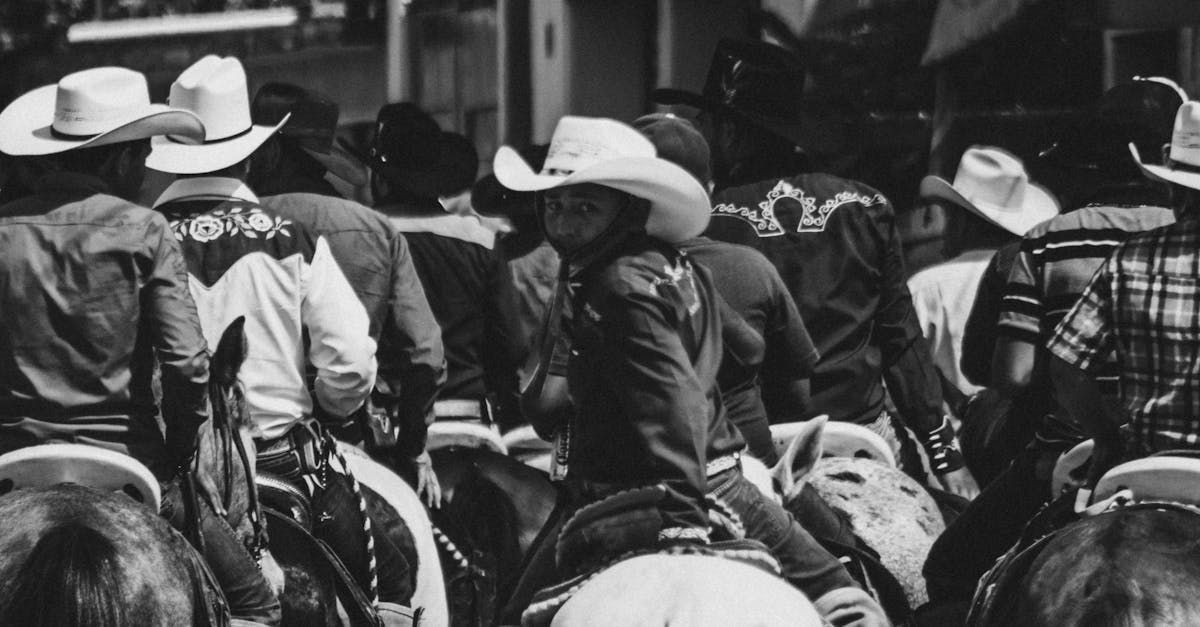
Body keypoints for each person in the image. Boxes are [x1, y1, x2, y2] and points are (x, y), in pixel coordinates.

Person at [0, 66, 282, 625]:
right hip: (129, 462)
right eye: (142, 155)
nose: (147, 167)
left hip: (9, 459)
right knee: (258, 606)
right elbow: (188, 364)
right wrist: (180, 449)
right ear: (118, 161)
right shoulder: (145, 230)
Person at [654, 38, 978, 498]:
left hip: (745, 448)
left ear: (730, 133)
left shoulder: (699, 221)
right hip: (861, 436)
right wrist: (944, 453)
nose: (700, 133)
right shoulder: (866, 205)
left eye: (705, 121)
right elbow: (901, 339)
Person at [145, 55, 413, 607]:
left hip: (169, 476)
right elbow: (351, 361)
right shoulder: (291, 239)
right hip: (281, 462)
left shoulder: (139, 239)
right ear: (252, 153)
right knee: (394, 578)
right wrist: (331, 409)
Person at [922, 77, 1184, 606]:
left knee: (950, 569)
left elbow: (1013, 375)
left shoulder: (1049, 241)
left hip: (1075, 452)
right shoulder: (1170, 239)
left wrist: (1103, 430)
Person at [249, 82, 447, 506]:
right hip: (352, 436)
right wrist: (413, 448)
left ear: (269, 151)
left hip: (249, 441)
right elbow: (425, 354)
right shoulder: (374, 228)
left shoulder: (229, 225)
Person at [1048, 99, 1200, 496]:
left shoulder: (1131, 258)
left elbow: (1065, 367)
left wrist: (1105, 436)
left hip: (1146, 466)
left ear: (1172, 184)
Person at [365, 103, 522, 430]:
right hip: (469, 414)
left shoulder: (363, 237)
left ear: (379, 178)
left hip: (386, 419)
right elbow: (509, 344)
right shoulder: (482, 241)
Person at [908, 146, 1058, 400]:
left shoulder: (926, 287)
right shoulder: (1040, 278)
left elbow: (906, 376)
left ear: (960, 221)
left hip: (947, 424)